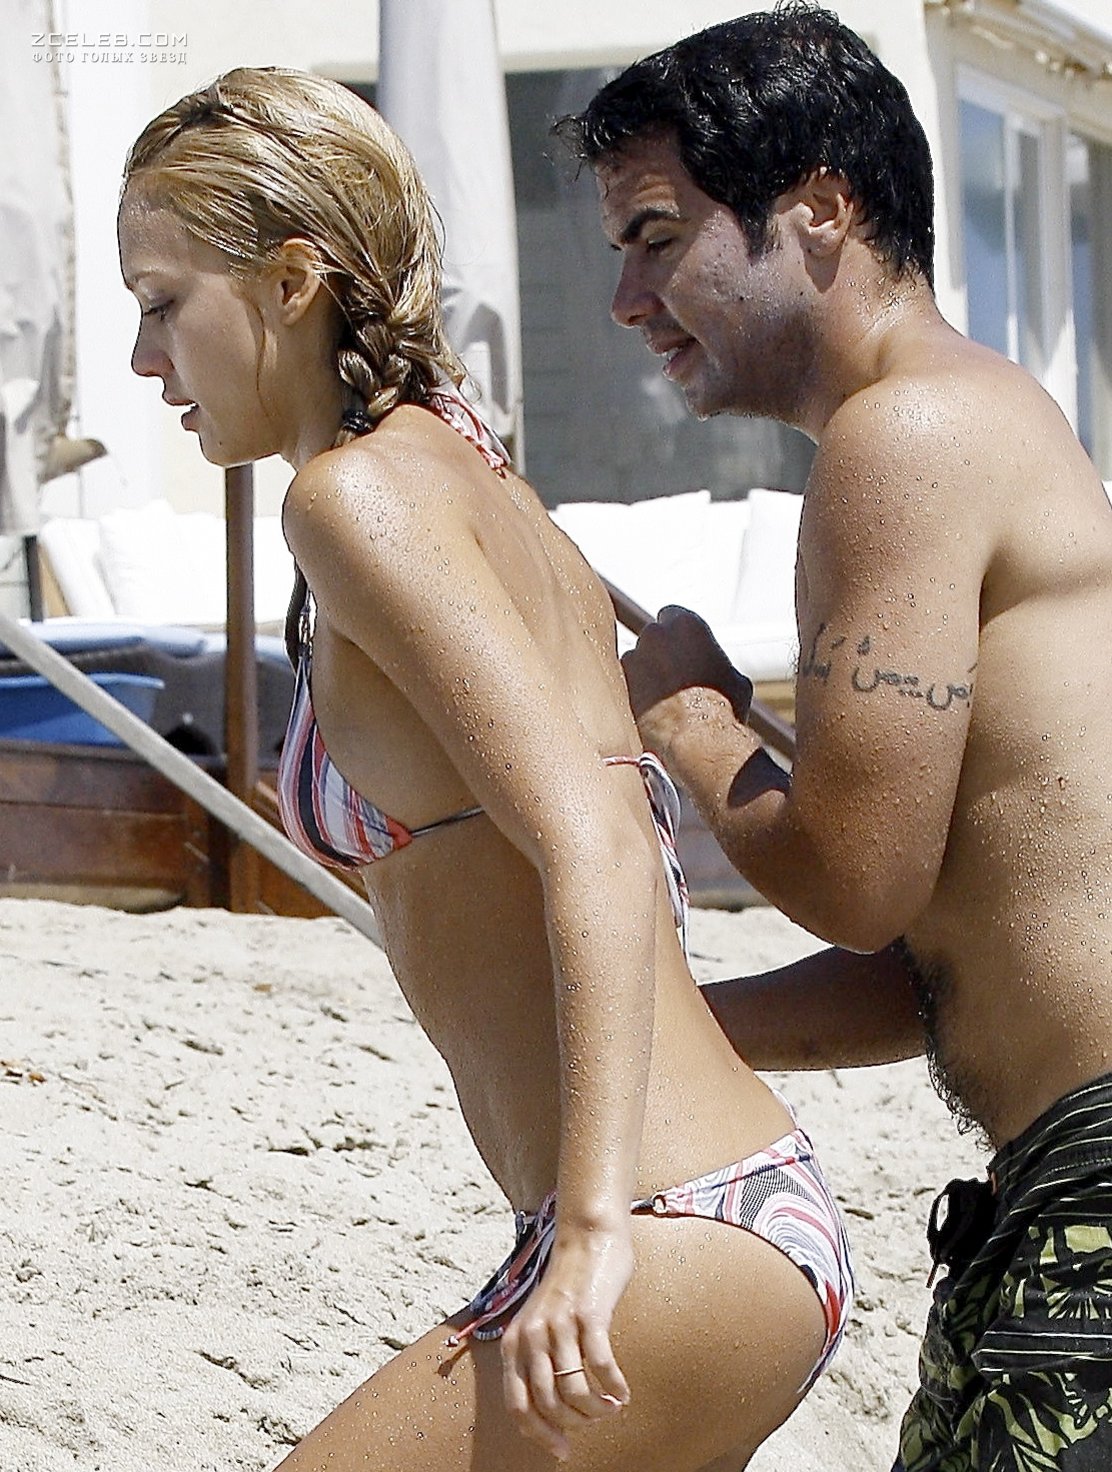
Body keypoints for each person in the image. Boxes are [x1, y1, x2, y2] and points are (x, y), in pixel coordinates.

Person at [117, 67, 854, 1472]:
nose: (145, 360)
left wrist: (593, 1232)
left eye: (161, 304)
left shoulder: (354, 498)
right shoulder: (470, 468)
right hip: (723, 1211)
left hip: (657, 1226)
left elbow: (596, 841)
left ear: (291, 282)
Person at [560, 3, 1112, 1468]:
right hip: (1057, 1190)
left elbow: (854, 878)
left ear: (818, 210)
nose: (625, 298)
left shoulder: (904, 438)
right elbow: (938, 958)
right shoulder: (976, 419)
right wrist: (666, 1036)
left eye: (658, 235)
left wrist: (689, 719)